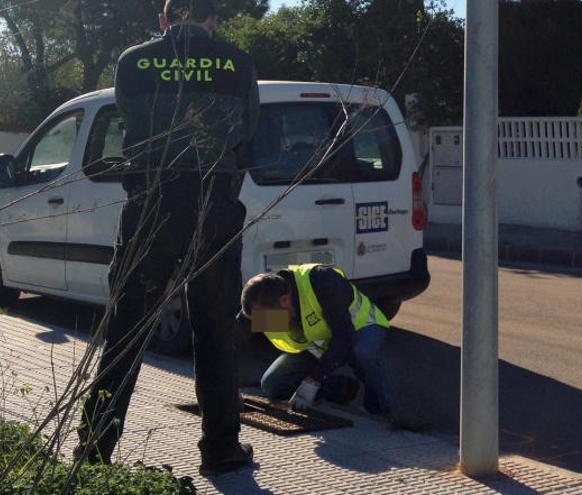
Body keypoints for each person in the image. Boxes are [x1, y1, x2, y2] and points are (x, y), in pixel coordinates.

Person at [76, 0, 259, 476]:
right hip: (212, 211)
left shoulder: (133, 61)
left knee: (127, 330)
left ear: (164, 20)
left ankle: (94, 451)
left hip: (150, 207)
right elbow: (247, 139)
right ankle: (221, 451)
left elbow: (129, 124)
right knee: (216, 332)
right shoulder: (237, 62)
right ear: (212, 21)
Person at [239, 264, 391, 416]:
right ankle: (341, 388)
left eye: (268, 319)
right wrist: (227, 386)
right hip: (319, 343)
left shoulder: (321, 280)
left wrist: (313, 380)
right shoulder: (262, 301)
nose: (265, 324)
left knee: (363, 353)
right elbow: (233, 337)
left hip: (360, 328)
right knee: (272, 384)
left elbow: (344, 338)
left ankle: (377, 409)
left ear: (285, 300)